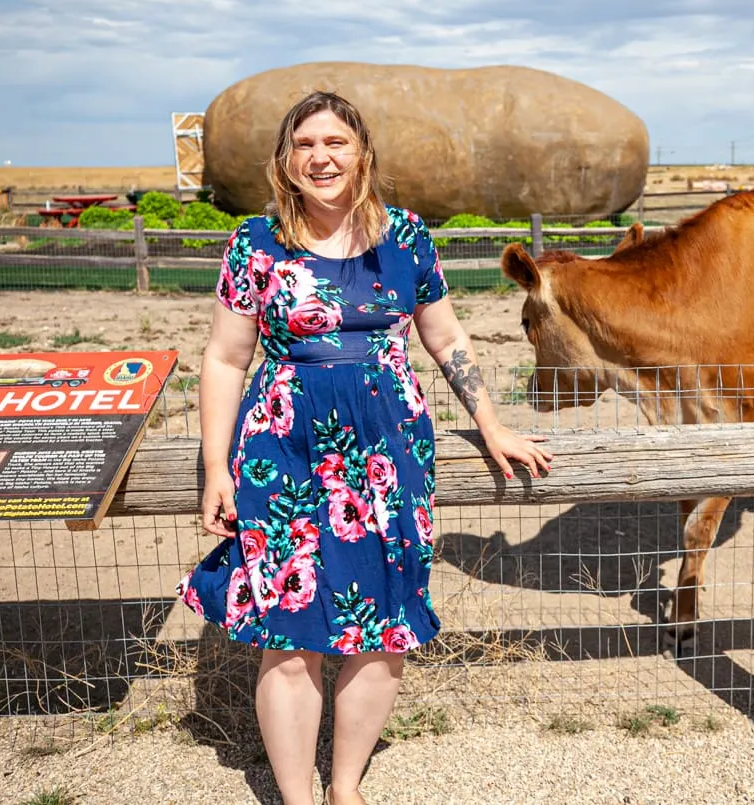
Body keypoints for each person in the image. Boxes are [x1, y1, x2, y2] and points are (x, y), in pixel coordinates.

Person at [177, 90, 551, 805]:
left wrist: (492, 422)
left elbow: (446, 338)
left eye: (335, 142)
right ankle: (296, 796)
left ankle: (345, 786)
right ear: (285, 161)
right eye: (305, 144)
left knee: (382, 629)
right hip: (280, 455)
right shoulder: (256, 243)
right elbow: (225, 358)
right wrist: (215, 468)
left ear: (362, 153)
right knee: (288, 634)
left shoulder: (406, 237)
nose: (321, 156)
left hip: (387, 456)